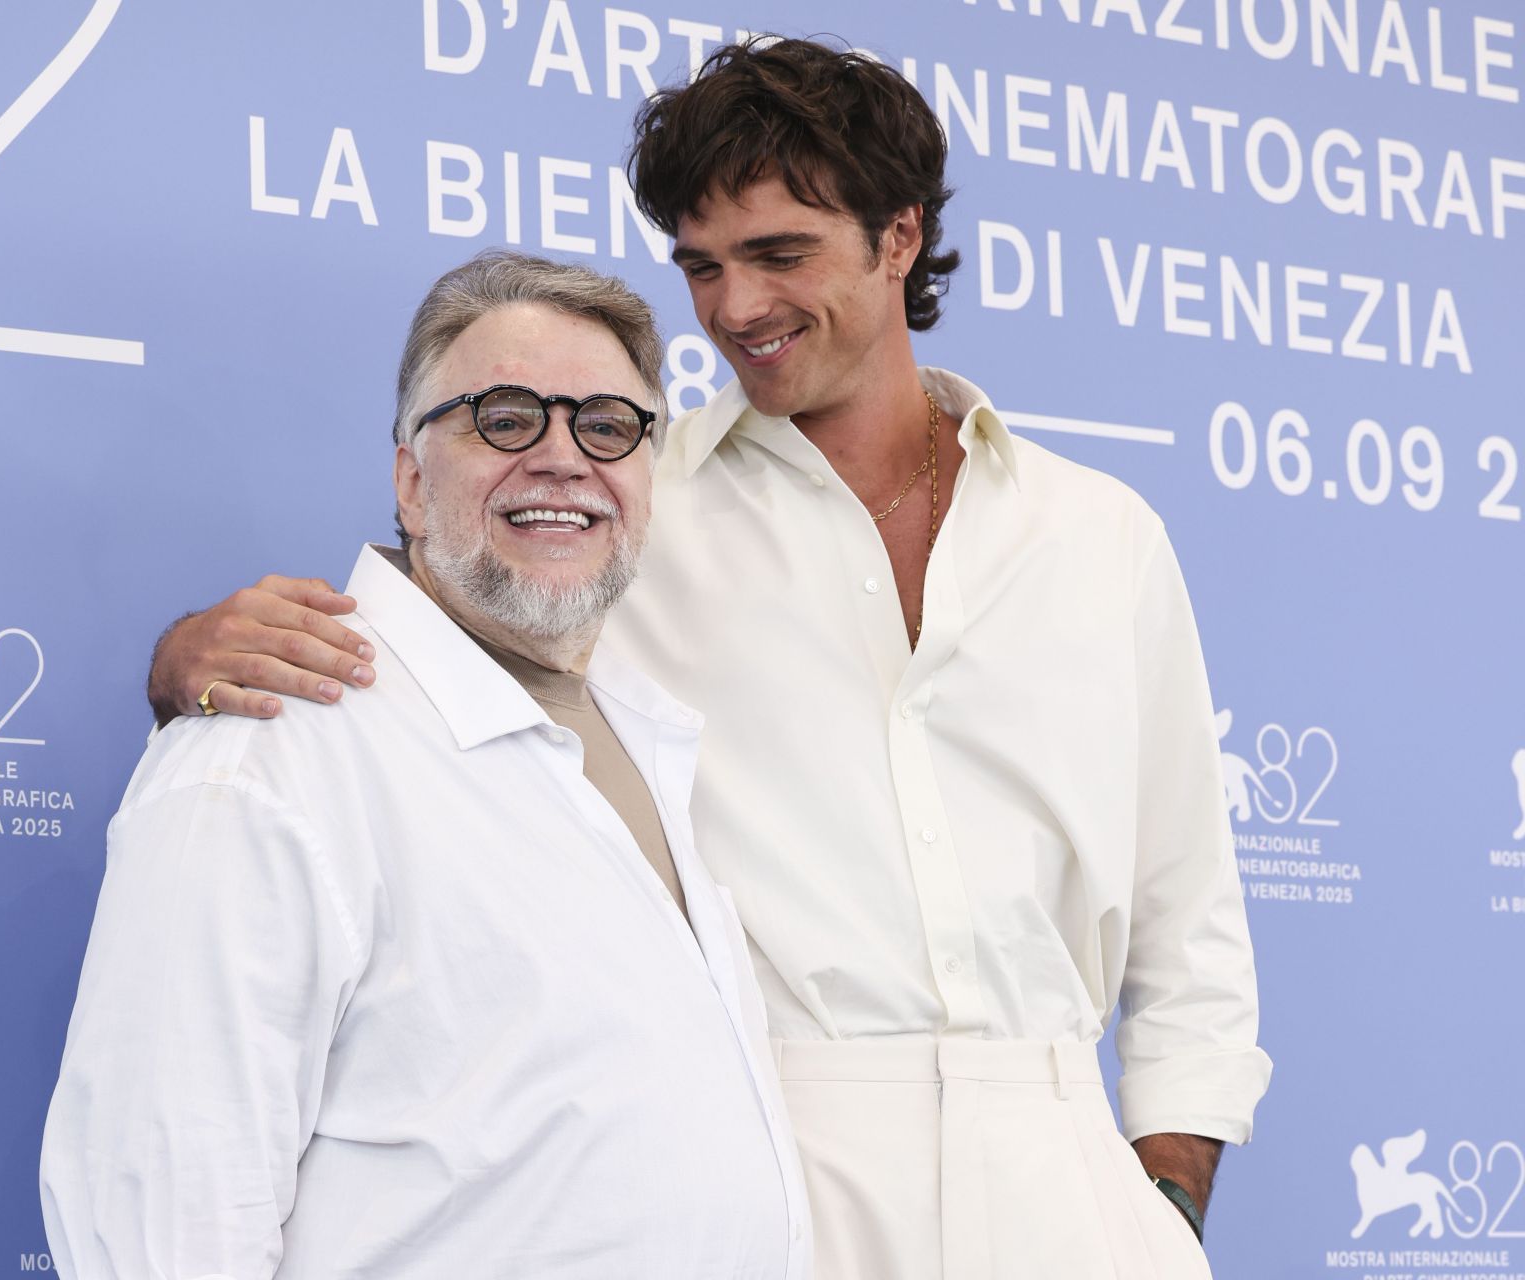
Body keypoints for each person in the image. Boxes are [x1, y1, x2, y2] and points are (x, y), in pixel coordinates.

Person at [146, 39, 1270, 1280]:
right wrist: (184, 662)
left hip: (1076, 1191)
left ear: (899, 238)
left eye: (780, 254)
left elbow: (1190, 927)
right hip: (778, 1178)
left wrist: (1165, 1200)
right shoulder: (631, 496)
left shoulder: (1099, 533)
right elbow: (427, 657)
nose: (734, 308)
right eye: (701, 266)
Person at [40, 251, 810, 1279]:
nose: (563, 457)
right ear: (409, 476)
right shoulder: (270, 753)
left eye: (609, 426)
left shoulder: (652, 739)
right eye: (504, 417)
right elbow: (161, 1221)